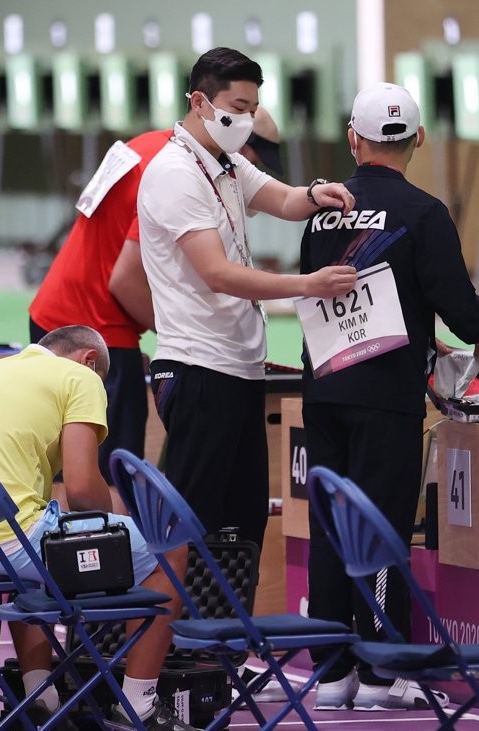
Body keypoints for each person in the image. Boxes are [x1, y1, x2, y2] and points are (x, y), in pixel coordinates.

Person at [298, 82, 479, 710]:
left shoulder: (321, 209)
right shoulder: (423, 211)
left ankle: (332, 670)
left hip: (325, 387)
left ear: (353, 139)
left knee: (330, 521)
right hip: (386, 395)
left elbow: (341, 287)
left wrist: (422, 335)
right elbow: (447, 291)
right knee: (381, 524)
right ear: (418, 139)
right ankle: (384, 671)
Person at [136, 47, 356, 554]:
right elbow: (216, 273)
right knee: (188, 527)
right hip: (197, 370)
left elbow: (283, 198)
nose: (246, 119)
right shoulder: (176, 173)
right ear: (199, 102)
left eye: (253, 109)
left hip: (237, 371)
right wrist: (308, 285)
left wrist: (319, 192)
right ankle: (168, 634)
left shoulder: (227, 164)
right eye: (237, 107)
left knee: (241, 526)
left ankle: (222, 630)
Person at [27, 109, 285, 501]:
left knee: (61, 471)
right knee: (111, 480)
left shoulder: (151, 144)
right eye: (255, 163)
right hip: (97, 330)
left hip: (56, 315)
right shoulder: (174, 170)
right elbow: (125, 281)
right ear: (242, 148)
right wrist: (190, 343)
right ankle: (109, 562)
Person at [0, 326, 204, 731]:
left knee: (36, 561)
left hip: (5, 541)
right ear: (90, 360)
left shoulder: (0, 369)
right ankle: (138, 708)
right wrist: (117, 519)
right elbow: (82, 490)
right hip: (13, 539)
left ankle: (41, 702)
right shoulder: (82, 377)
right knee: (169, 547)